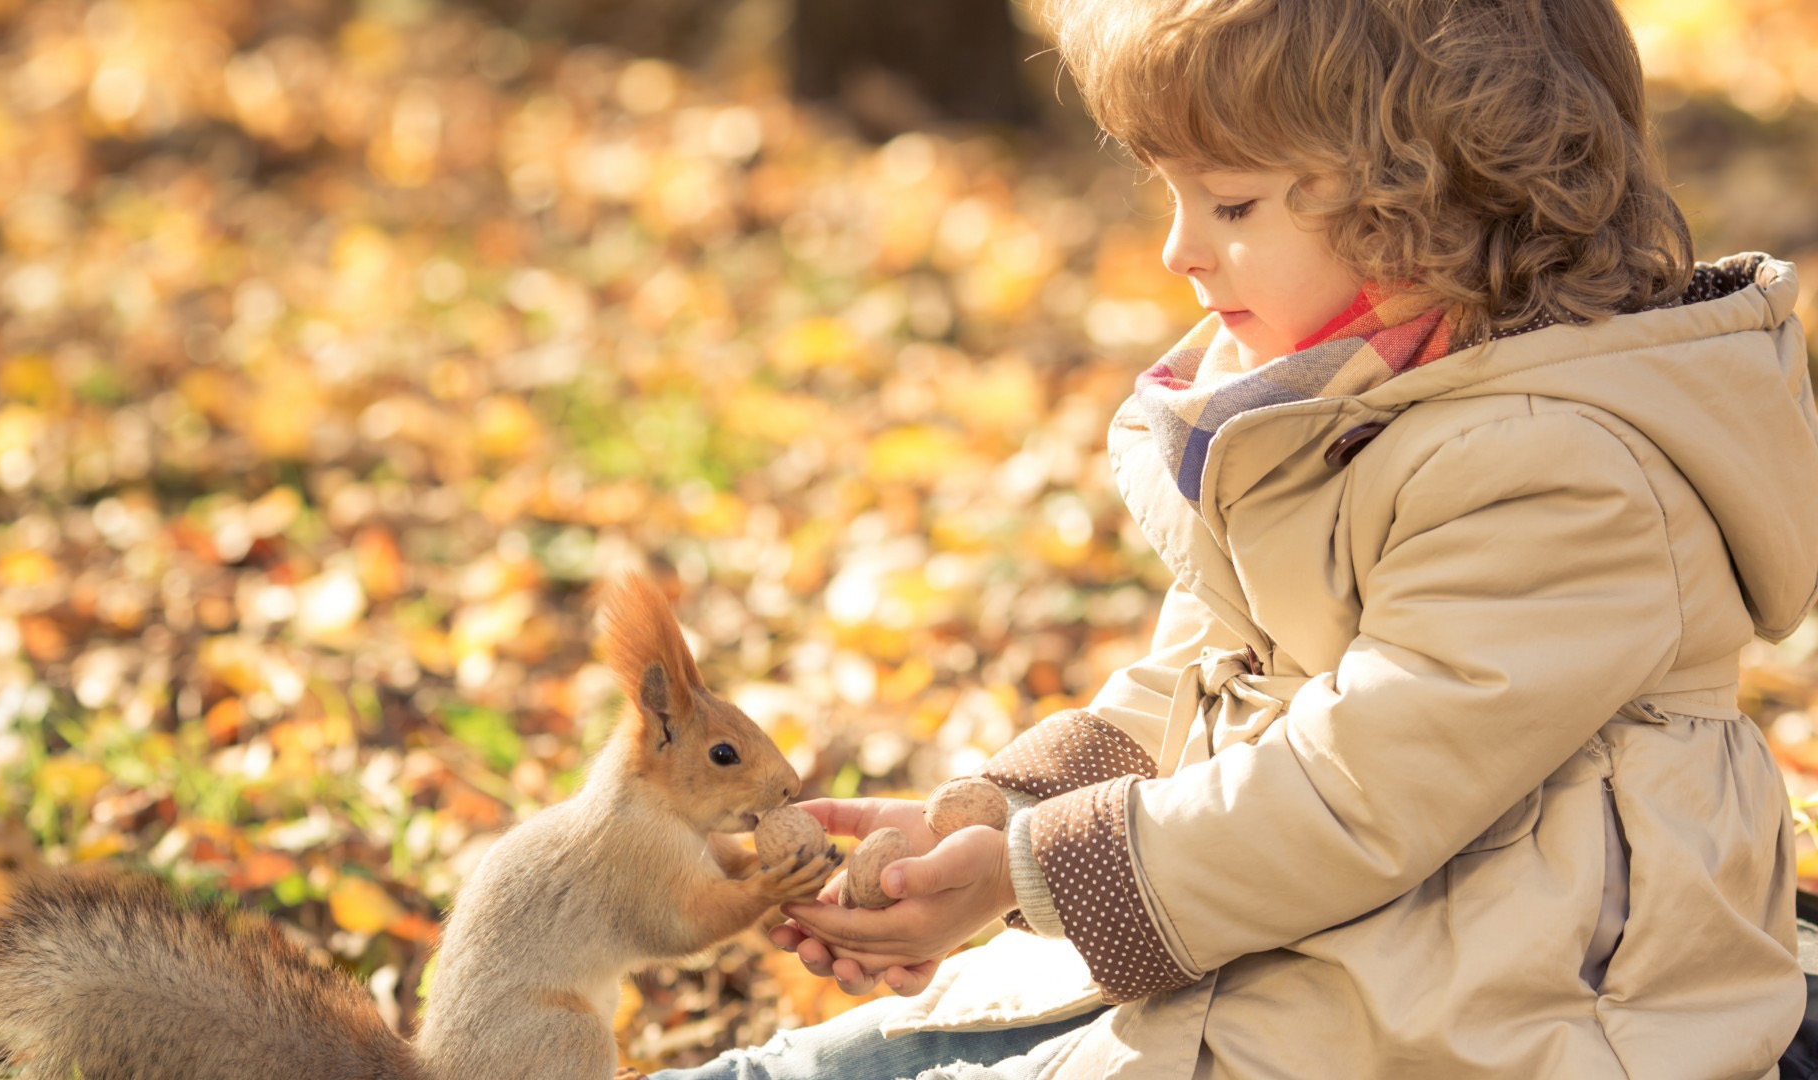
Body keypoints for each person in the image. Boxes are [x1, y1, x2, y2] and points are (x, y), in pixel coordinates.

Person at [656, 0, 1818, 1076]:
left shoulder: (1561, 470)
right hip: (1299, 966)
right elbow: (1199, 682)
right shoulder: (1326, 406)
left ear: (1432, 203)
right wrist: (993, 822)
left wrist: (1033, 873)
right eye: (1171, 193)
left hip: (1497, 1023)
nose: (1179, 250)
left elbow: (1357, 789)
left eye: (1232, 204)